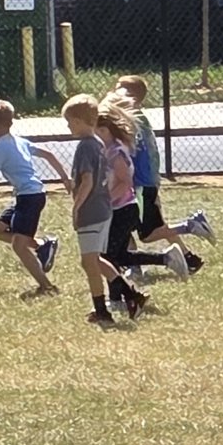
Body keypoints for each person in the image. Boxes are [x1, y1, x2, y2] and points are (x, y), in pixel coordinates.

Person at [0, 99, 70, 294]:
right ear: (11, 122)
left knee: (19, 245)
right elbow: (49, 154)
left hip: (30, 197)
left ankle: (47, 287)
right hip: (29, 195)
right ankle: (43, 244)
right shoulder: (20, 141)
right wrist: (65, 179)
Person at [63, 94, 151, 324]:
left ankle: (114, 304)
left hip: (91, 210)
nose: (68, 126)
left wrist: (76, 207)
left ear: (81, 121)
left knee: (90, 262)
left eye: (70, 121)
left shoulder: (85, 146)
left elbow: (88, 181)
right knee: (94, 260)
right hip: (103, 209)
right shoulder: (99, 144)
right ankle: (124, 299)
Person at [96, 94, 189, 307]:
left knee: (107, 256)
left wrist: (105, 201)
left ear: (105, 131)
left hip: (122, 210)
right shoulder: (107, 150)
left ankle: (119, 299)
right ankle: (166, 259)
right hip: (118, 209)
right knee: (119, 255)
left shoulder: (116, 152)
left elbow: (125, 182)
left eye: (96, 131)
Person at [114, 75, 213, 274]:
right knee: (147, 225)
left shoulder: (128, 119)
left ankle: (190, 225)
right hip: (147, 180)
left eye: (118, 89)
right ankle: (187, 257)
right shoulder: (137, 116)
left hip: (140, 184)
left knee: (147, 233)